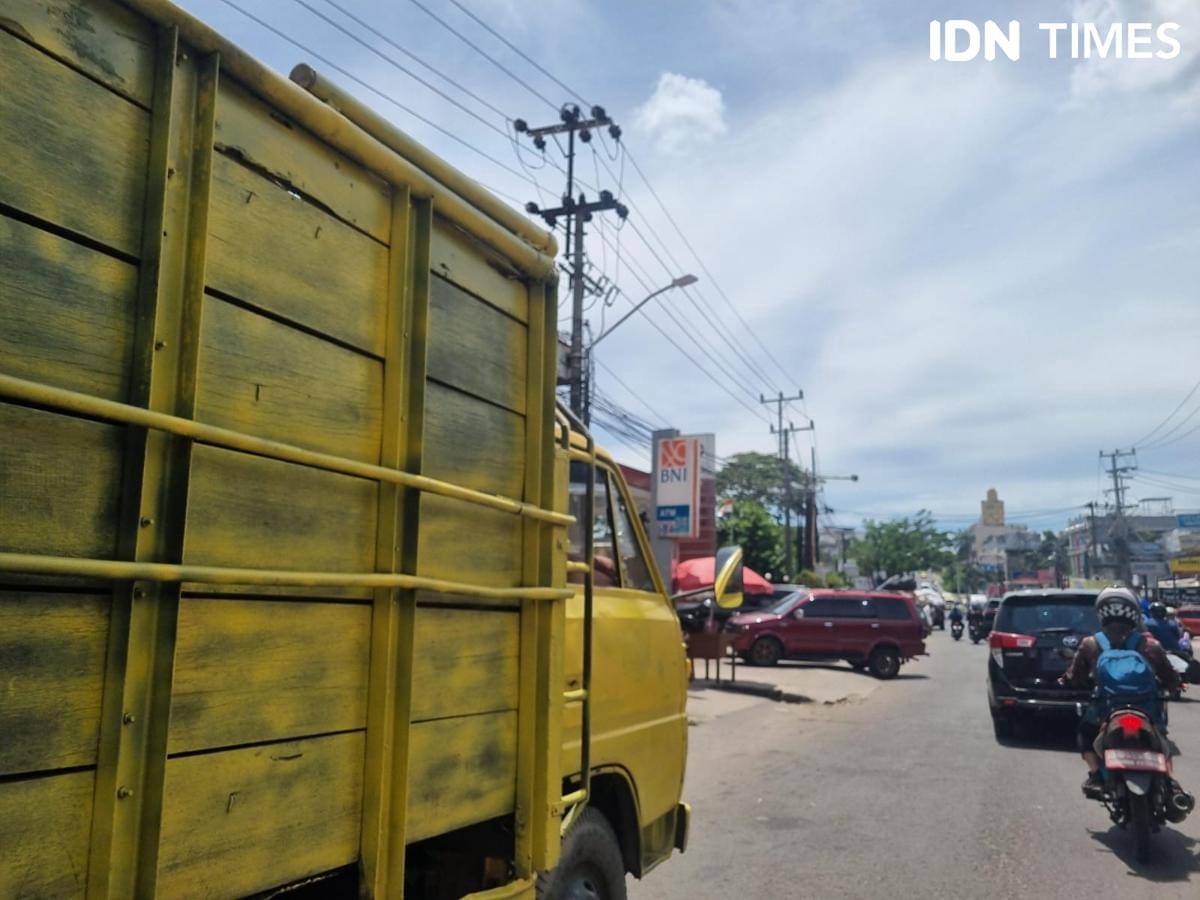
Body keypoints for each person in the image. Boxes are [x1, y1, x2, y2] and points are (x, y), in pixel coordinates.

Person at [1061, 586, 1180, 798]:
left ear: (1101, 614)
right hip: (1146, 710)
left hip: (1105, 711)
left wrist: (1067, 681)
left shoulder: (1091, 643)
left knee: (1084, 735)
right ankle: (1170, 783)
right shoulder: (1149, 644)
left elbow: (1075, 676)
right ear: (1134, 613)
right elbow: (1169, 675)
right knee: (1162, 739)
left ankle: (1097, 775)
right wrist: (1174, 685)